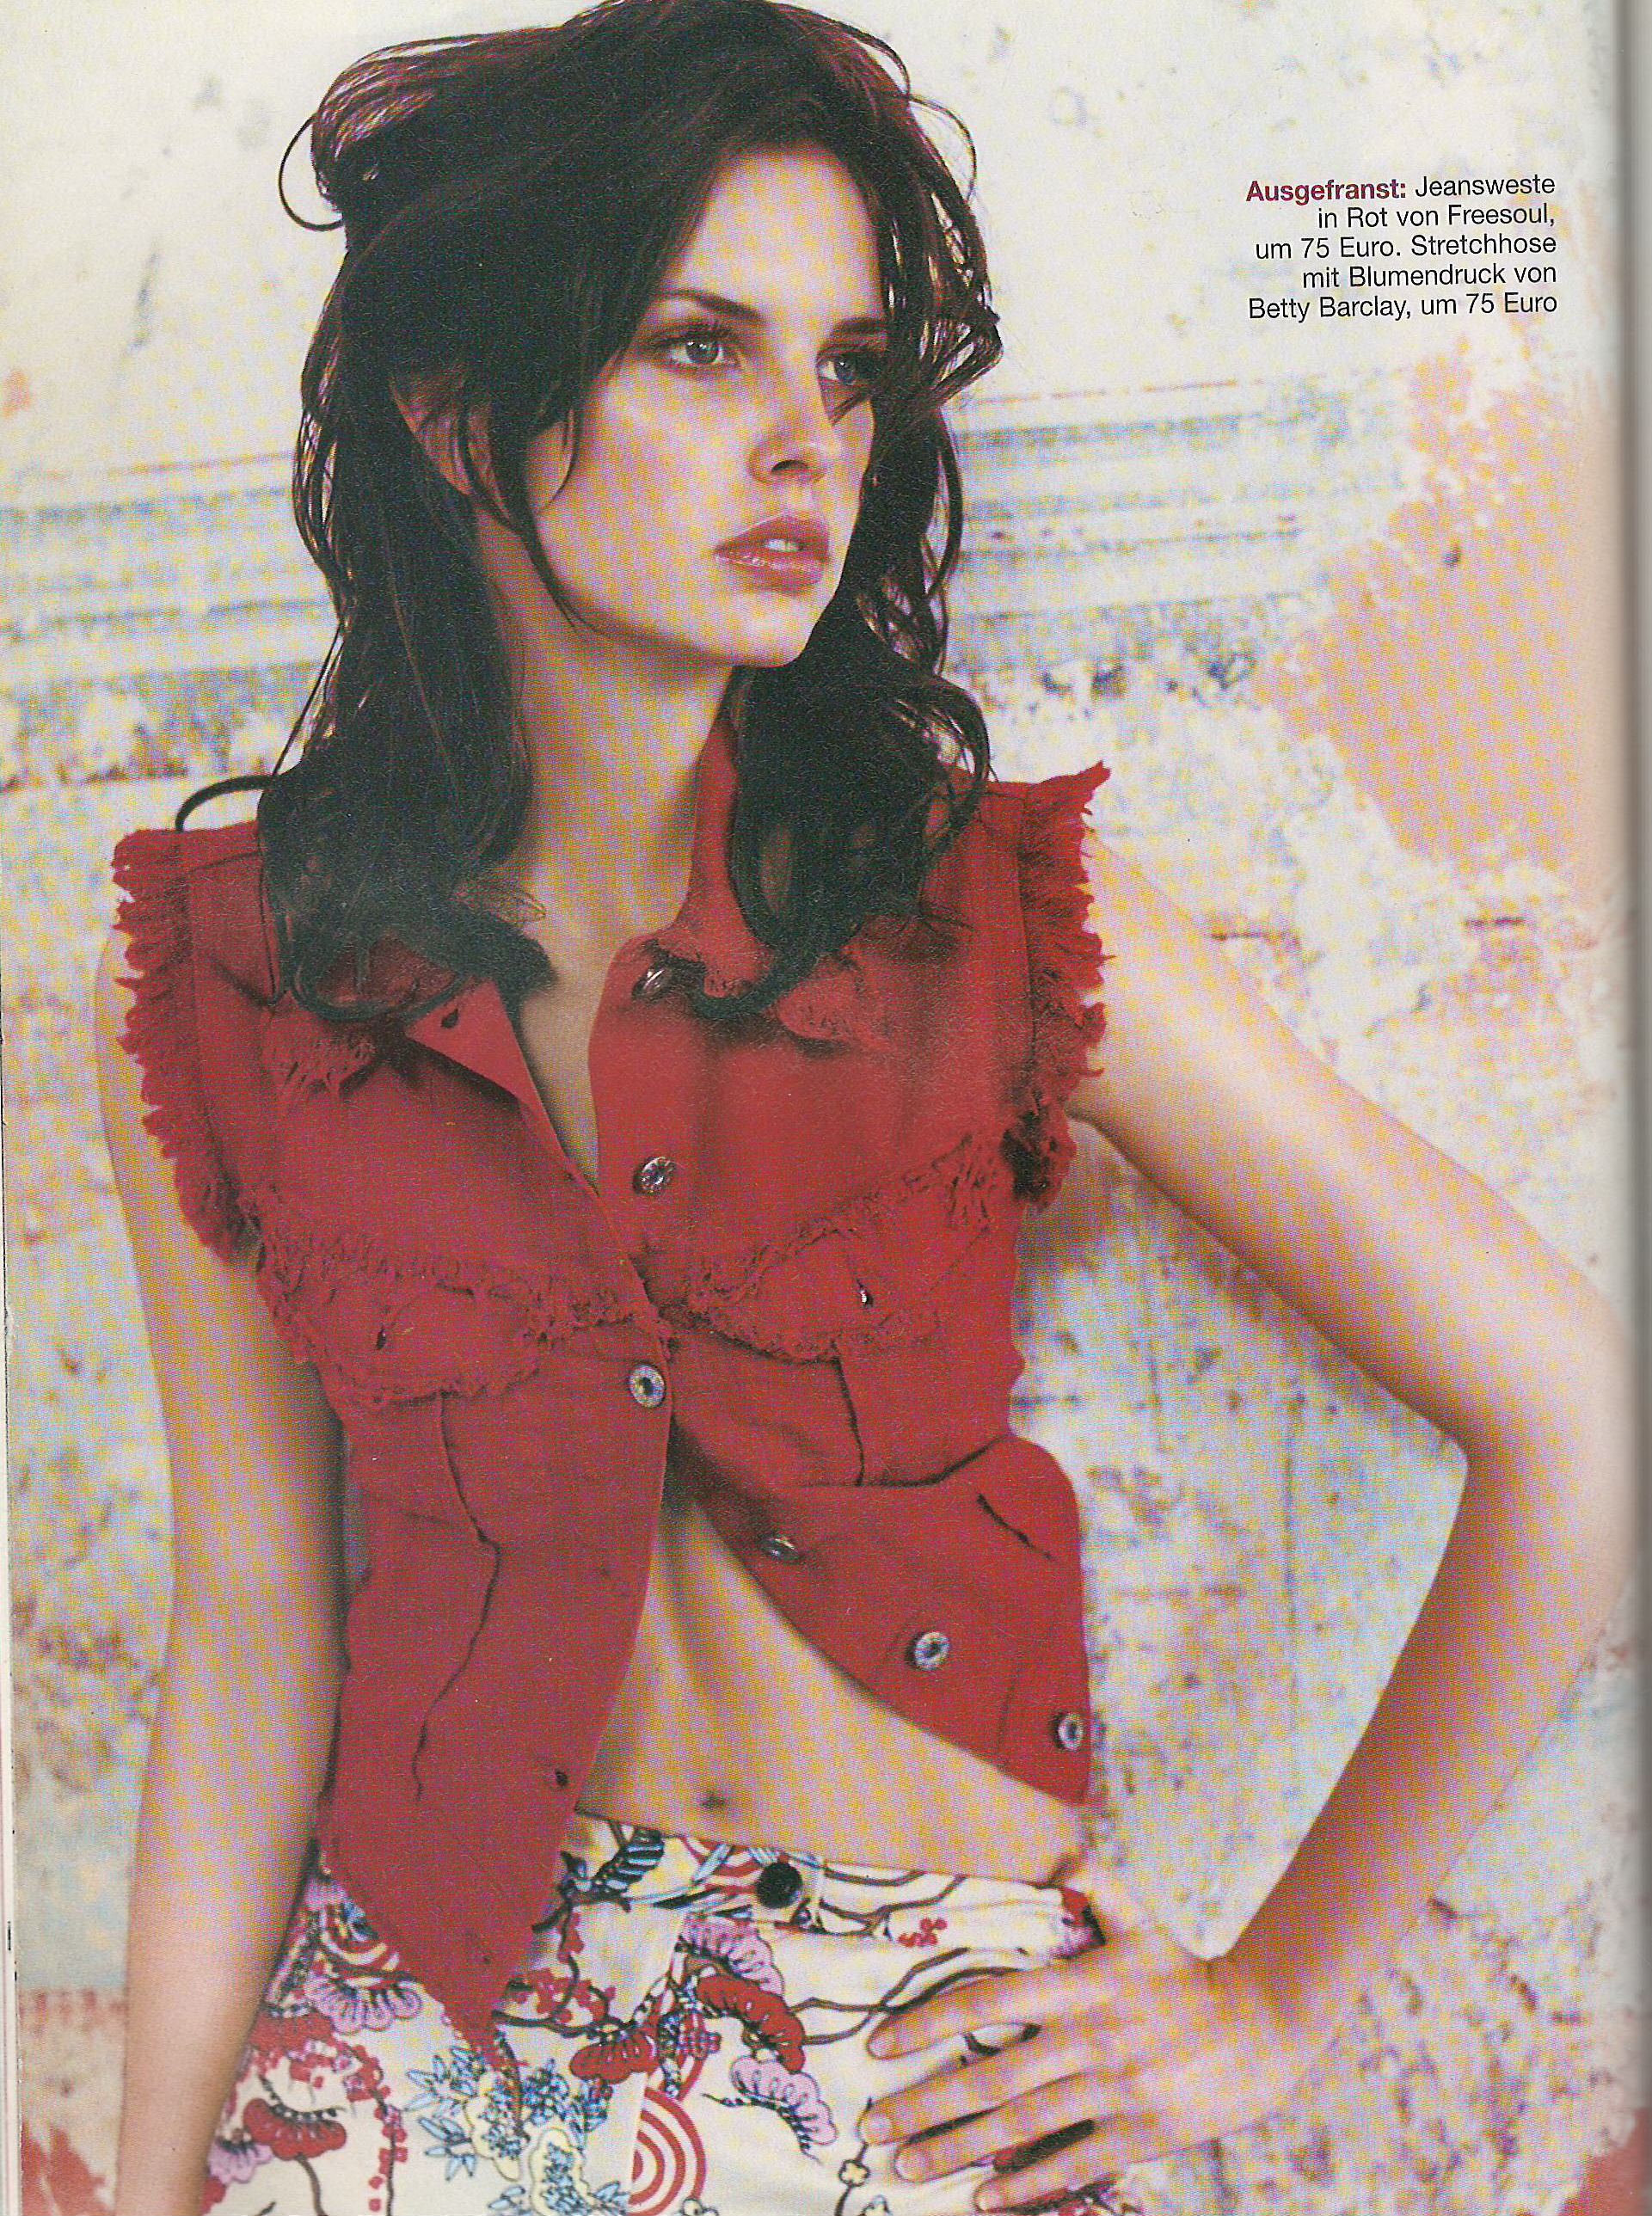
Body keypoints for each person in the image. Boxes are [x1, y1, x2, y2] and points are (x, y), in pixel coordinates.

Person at [92, 3, 1631, 2212]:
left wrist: (1277, 1998)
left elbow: (1573, 1407)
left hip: (922, 2069)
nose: (804, 442)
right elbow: (248, 1634)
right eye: (699, 347)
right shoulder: (227, 967)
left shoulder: (992, 910)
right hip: (408, 2055)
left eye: (848, 367)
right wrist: (148, 2184)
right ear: (453, 412)